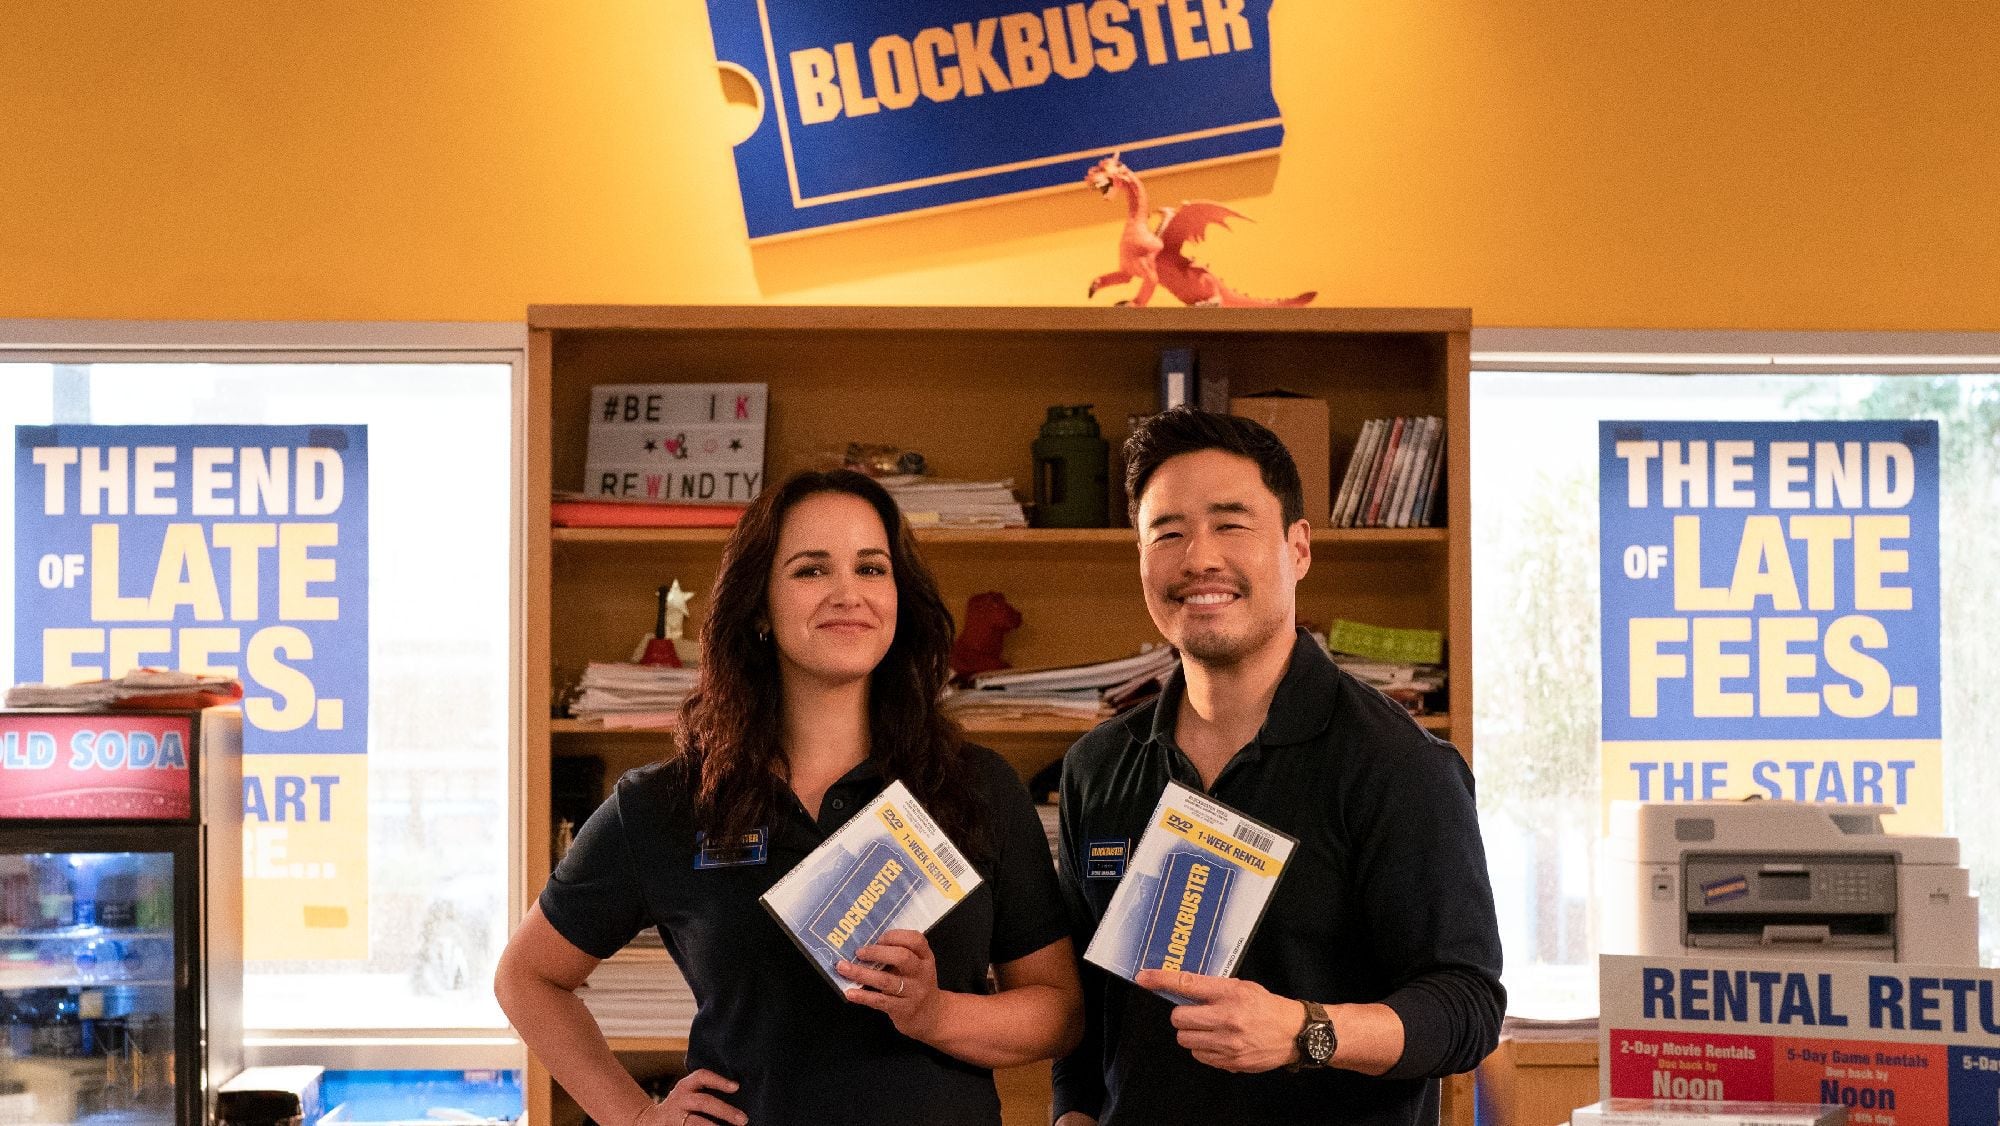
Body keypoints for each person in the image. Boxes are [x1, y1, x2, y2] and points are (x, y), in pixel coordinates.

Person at [496, 469, 1082, 1126]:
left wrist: (936, 1013)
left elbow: (1059, 1013)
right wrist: (636, 1117)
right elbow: (526, 978)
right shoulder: (668, 804)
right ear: (758, 609)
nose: (847, 594)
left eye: (871, 568)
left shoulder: (978, 787)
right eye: (811, 570)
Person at [1052, 410, 1504, 1125]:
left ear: (1298, 549)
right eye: (1167, 532)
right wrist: (1071, 1114)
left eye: (1231, 524)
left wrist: (1305, 1031)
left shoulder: (1397, 766)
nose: (1199, 558)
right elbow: (1085, 1005)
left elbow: (1467, 1007)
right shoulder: (1096, 768)